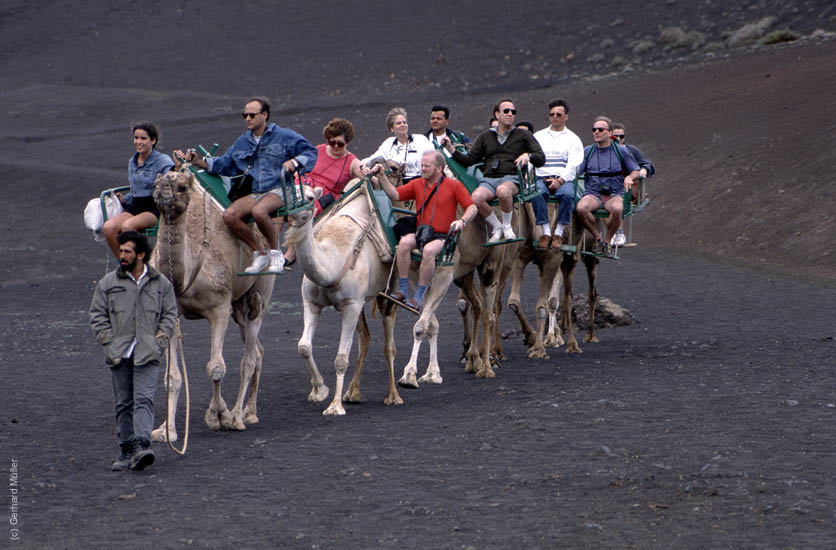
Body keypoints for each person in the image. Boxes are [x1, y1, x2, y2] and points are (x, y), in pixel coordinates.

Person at [179, 97, 317, 273]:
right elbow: (225, 163)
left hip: (280, 189)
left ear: (265, 115)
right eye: (245, 115)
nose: (248, 119)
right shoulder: (243, 141)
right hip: (257, 192)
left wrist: (295, 162)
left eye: (252, 115)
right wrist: (199, 162)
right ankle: (260, 253)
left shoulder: (284, 136)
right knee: (230, 215)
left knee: (259, 211)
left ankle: (276, 253)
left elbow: (310, 152)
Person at [89, 231, 178, 471]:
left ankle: (141, 445)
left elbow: (170, 314)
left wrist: (160, 339)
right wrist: (108, 342)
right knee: (124, 402)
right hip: (120, 354)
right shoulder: (108, 283)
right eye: (120, 251)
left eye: (127, 251)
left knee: (144, 399)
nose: (122, 256)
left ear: (141, 254)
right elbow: (97, 315)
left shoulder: (161, 284)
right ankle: (126, 450)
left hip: (148, 352)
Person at [377, 151, 477, 312]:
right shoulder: (417, 184)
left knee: (429, 251)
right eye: (421, 165)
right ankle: (402, 290)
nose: (422, 169)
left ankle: (418, 296)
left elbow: (472, 207)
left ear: (439, 168)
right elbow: (395, 194)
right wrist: (382, 177)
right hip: (422, 232)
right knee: (403, 244)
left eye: (426, 166)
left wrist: (462, 221)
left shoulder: (454, 185)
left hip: (442, 236)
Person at [441, 98, 545, 243]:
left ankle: (508, 226)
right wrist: (451, 149)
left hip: (512, 178)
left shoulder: (523, 135)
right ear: (497, 114)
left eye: (513, 112)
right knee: (476, 197)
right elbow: (470, 160)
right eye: (506, 111)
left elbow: (541, 158)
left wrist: (529, 155)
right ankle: (498, 226)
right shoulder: (485, 136)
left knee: (503, 191)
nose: (510, 114)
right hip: (489, 179)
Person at [103, 122, 174, 258]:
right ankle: (125, 265)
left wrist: (175, 169)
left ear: (153, 140)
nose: (138, 142)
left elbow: (171, 178)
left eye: (143, 138)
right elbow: (135, 190)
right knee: (109, 228)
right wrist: (124, 200)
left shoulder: (162, 161)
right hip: (135, 206)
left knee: (128, 227)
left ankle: (140, 264)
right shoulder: (133, 162)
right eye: (136, 138)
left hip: (153, 207)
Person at [575, 116, 640, 257]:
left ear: (609, 133)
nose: (596, 132)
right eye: (594, 129)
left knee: (617, 209)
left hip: (614, 193)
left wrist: (630, 177)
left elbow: (635, 170)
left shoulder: (621, 151)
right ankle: (598, 237)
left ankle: (608, 240)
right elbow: (576, 171)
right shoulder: (588, 151)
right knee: (581, 208)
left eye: (600, 129)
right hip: (593, 192)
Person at [530, 99, 584, 249]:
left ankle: (558, 233)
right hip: (542, 176)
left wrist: (560, 180)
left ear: (566, 116)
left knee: (567, 196)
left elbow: (573, 164)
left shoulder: (573, 139)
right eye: (552, 114)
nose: (555, 117)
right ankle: (546, 232)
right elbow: (532, 157)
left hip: (563, 178)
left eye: (559, 114)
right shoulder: (539, 136)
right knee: (536, 194)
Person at [303, 118, 364, 215]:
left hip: (324, 201)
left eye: (340, 144)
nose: (335, 146)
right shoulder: (318, 150)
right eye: (332, 142)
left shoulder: (352, 162)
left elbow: (367, 176)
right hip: (304, 190)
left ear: (347, 142)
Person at [610, 122, 656, 245]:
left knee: (616, 198)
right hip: (608, 185)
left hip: (628, 186)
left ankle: (618, 232)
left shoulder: (630, 150)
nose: (618, 139)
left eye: (621, 136)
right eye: (615, 137)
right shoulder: (603, 150)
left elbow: (649, 165)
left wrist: (644, 170)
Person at [363, 107, 434, 183]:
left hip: (420, 182)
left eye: (404, 122)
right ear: (391, 128)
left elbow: (434, 159)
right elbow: (371, 159)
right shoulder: (388, 143)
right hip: (397, 184)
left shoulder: (420, 139)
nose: (403, 125)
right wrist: (362, 166)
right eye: (398, 123)